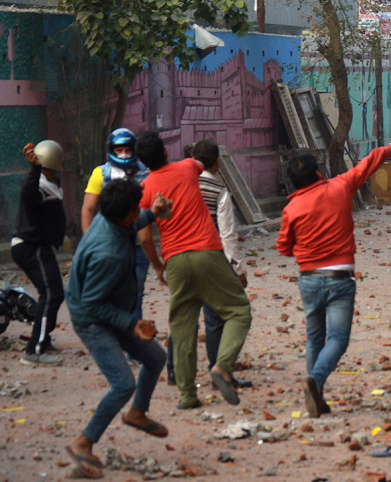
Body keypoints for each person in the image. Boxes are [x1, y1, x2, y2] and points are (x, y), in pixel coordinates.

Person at [277, 142, 391, 417]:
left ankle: (317, 396)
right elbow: (368, 163)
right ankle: (315, 381)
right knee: (338, 339)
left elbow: (283, 248)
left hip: (308, 279)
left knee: (314, 339)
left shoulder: (292, 208)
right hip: (340, 278)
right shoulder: (340, 187)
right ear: (318, 173)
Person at [64, 179, 172, 479]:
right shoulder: (107, 253)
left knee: (155, 357)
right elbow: (91, 304)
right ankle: (83, 443)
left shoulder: (110, 217)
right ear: (127, 215)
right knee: (123, 384)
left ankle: (137, 413)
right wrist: (130, 323)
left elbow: (132, 223)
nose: (138, 212)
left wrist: (153, 212)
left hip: (111, 310)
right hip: (91, 319)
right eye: (136, 209)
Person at [136, 131, 252, 410]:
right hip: (207, 252)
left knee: (183, 328)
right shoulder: (188, 167)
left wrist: (158, 266)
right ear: (166, 153)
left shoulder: (144, 189)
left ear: (143, 162)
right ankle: (222, 366)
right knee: (238, 310)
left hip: (175, 261)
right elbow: (203, 163)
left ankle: (187, 396)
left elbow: (144, 237)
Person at [191, 139, 252, 388]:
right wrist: (237, 269)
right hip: (211, 259)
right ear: (217, 162)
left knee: (184, 318)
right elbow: (227, 235)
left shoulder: (186, 187)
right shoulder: (219, 192)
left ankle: (179, 375)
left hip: (182, 257)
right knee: (222, 317)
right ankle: (221, 369)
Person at [80, 128, 150, 320]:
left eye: (127, 149)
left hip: (137, 247)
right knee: (108, 295)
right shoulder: (100, 173)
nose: (124, 154)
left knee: (135, 297)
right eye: (119, 150)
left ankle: (133, 336)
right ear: (111, 151)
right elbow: (88, 209)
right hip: (108, 246)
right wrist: (89, 242)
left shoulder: (145, 171)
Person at [12, 141, 65, 365]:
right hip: (31, 246)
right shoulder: (39, 183)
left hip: (39, 246)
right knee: (51, 294)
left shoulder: (52, 183)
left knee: (54, 294)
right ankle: (34, 350)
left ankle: (42, 340)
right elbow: (28, 195)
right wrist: (34, 169)